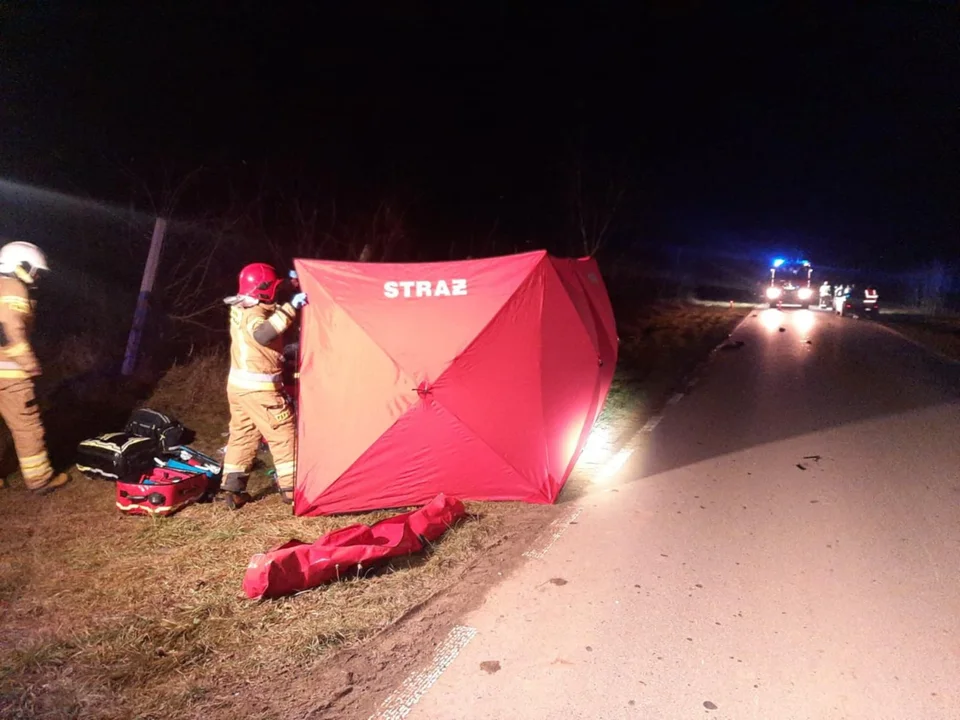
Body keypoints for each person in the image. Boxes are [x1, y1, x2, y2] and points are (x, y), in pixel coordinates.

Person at [219, 263, 307, 509]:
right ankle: (292, 490)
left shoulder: (242, 305)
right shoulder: (254, 315)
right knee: (283, 433)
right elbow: (263, 334)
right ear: (264, 290)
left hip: (238, 388)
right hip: (260, 390)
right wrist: (292, 307)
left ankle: (233, 489)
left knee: (243, 435)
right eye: (274, 288)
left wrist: (290, 285)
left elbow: (267, 304)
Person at [0, 241, 69, 494]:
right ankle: (40, 480)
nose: (36, 275)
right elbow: (9, 330)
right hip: (9, 374)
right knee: (27, 427)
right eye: (33, 269)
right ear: (21, 266)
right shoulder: (14, 288)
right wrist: (29, 363)